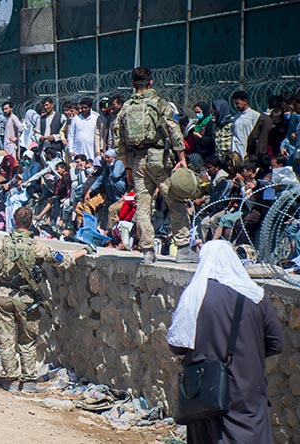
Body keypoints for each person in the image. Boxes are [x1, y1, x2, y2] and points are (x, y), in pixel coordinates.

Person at [167, 240, 283, 443]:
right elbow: (276, 343)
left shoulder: (195, 295)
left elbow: (177, 345)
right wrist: (248, 355)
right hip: (249, 388)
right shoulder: (256, 295)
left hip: (208, 389)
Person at [0, 207, 92, 392]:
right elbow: (63, 259)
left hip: (3, 296)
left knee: (5, 339)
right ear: (31, 223)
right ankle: (29, 381)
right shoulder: (37, 246)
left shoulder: (2, 244)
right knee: (27, 339)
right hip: (27, 299)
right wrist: (84, 251)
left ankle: (11, 380)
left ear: (14, 222)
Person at [114, 66, 195, 264]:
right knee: (175, 201)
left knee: (142, 206)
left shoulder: (126, 108)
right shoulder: (160, 104)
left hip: (137, 161)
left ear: (133, 85)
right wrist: (181, 158)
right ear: (151, 83)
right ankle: (183, 249)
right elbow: (173, 130)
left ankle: (148, 251)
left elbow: (119, 142)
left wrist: (127, 168)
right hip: (160, 159)